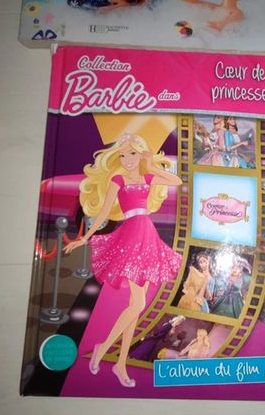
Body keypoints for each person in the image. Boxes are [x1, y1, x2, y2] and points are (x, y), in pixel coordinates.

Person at [64, 133, 182, 388]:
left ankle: (120, 364)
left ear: (140, 154)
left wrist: (150, 165)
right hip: (131, 236)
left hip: (147, 235)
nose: (127, 159)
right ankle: (104, 347)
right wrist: (84, 238)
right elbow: (104, 212)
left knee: (134, 307)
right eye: (123, 155)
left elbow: (177, 180)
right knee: (138, 303)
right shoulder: (118, 180)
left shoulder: (147, 177)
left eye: (132, 153)